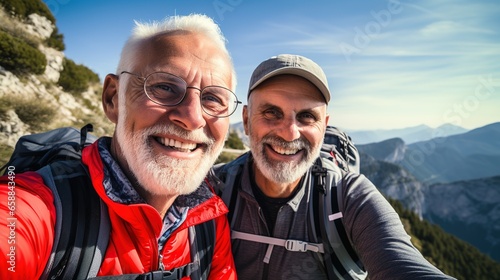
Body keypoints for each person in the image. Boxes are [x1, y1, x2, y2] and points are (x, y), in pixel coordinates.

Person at [0, 14, 239, 279]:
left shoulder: (209, 222)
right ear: (113, 98)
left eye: (213, 98)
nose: (193, 117)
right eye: (164, 86)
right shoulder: (35, 206)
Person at [214, 54, 456, 279]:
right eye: (271, 112)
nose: (289, 133)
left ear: (324, 126)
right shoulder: (213, 188)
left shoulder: (349, 196)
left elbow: (403, 264)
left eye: (307, 116)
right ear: (246, 120)